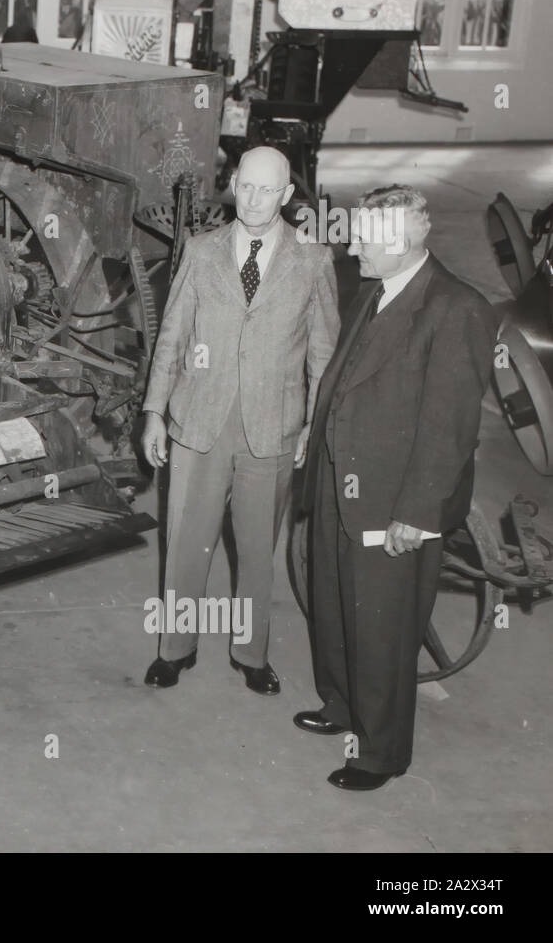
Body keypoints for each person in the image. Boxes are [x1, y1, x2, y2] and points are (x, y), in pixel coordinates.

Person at [295, 185, 499, 791]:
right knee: (333, 605)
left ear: (402, 241)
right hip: (342, 479)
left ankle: (379, 753)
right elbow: (344, 375)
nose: (352, 242)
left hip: (394, 501)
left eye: (363, 236)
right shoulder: (376, 289)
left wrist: (417, 512)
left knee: (382, 629)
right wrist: (316, 429)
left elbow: (450, 427)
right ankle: (341, 706)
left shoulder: (457, 308)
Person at [141, 145, 339, 693]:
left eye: (265, 190)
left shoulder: (313, 260)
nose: (252, 200)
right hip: (199, 423)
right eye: (244, 186)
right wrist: (155, 411)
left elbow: (325, 357)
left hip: (271, 428)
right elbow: (173, 337)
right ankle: (174, 648)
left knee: (257, 552)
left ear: (287, 195)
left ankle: (251, 655)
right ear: (233, 185)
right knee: (185, 543)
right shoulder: (201, 251)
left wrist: (310, 429)